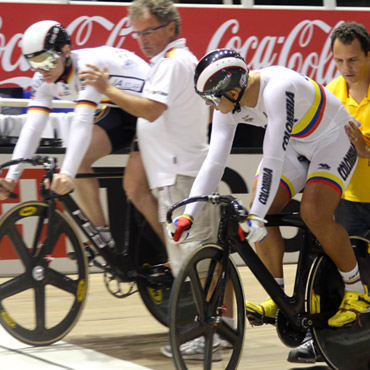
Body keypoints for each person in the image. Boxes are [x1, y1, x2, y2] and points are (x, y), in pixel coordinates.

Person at [171, 48, 370, 333]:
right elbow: (214, 161)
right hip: (299, 143)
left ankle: (356, 289)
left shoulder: (277, 89)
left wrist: (257, 218)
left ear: (231, 90)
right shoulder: (230, 104)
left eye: (211, 98)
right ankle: (277, 295)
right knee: (261, 202)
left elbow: (273, 158)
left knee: (313, 211)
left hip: (333, 138)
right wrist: (189, 214)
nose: (209, 107)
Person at [79, 0, 224, 360]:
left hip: (181, 176)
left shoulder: (174, 65)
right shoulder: (170, 63)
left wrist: (106, 88)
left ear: (171, 28)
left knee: (194, 262)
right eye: (138, 33)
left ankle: (210, 337)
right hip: (179, 172)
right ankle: (221, 331)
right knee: (199, 261)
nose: (143, 39)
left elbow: (150, 110)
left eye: (150, 31)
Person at [0, 20, 161, 246]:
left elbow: (82, 121)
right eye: (33, 63)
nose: (41, 69)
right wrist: (11, 177)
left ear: (66, 51)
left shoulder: (87, 67)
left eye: (45, 60)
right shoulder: (42, 78)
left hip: (146, 109)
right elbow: (33, 127)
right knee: (80, 162)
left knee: (135, 189)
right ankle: (102, 238)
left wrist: (66, 173)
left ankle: (174, 257)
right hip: (117, 108)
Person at [288, 21, 370, 364]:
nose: (345, 69)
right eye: (338, 61)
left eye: (352, 60)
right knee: (333, 271)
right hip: (349, 199)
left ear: (369, 54)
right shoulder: (330, 91)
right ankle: (317, 339)